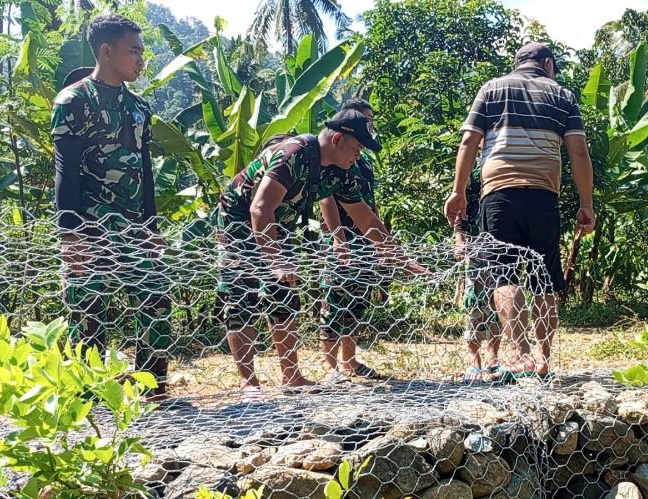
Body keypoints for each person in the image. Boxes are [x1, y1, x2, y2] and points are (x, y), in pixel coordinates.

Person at [217, 109, 425, 396]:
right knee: (243, 294)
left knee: (285, 294)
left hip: (281, 220)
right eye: (356, 148)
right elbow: (259, 207)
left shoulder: (342, 172)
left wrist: (400, 258)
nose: (358, 155)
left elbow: (366, 219)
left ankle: (291, 376)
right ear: (338, 138)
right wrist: (275, 261)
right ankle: (248, 382)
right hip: (240, 216)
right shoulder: (295, 153)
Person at [444, 42, 596, 381]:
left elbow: (469, 142)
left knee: (503, 275)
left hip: (499, 195)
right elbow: (579, 154)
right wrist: (586, 204)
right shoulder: (562, 96)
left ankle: (520, 353)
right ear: (547, 64)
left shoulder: (491, 89)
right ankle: (542, 357)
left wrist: (457, 192)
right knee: (544, 278)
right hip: (544, 197)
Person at [51, 15, 173, 399]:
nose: (141, 60)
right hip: (88, 226)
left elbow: (144, 169)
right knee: (88, 312)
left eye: (142, 52)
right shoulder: (74, 101)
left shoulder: (139, 107)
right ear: (107, 51)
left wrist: (151, 228)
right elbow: (66, 169)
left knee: (156, 297)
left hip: (134, 228)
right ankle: (85, 395)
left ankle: (150, 389)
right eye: (133, 51)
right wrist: (69, 234)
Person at [318, 98, 386, 383]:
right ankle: (331, 367)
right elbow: (327, 195)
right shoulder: (335, 151)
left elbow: (369, 202)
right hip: (341, 234)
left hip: (365, 235)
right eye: (365, 119)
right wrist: (338, 237)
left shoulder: (362, 156)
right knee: (335, 299)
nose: (370, 124)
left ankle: (350, 361)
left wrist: (382, 240)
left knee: (356, 300)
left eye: (371, 119)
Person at [454, 160, 501, 383]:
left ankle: (493, 360)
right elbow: (459, 207)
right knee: (474, 301)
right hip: (474, 242)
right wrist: (459, 239)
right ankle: (474, 362)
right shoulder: (471, 170)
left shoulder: (504, 164)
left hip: (501, 242)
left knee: (497, 301)